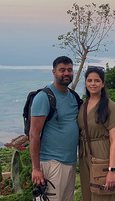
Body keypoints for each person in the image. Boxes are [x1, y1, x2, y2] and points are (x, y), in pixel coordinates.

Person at [30, 56, 81, 201]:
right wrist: (36, 168)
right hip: (51, 163)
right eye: (62, 70)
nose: (66, 73)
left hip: (70, 162)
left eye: (70, 70)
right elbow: (33, 134)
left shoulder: (73, 97)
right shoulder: (44, 97)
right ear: (54, 72)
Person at [78, 67, 115, 201]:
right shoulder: (83, 104)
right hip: (85, 155)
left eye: (97, 80)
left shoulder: (109, 106)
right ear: (85, 83)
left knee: (102, 195)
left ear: (103, 83)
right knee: (88, 195)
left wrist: (111, 170)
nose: (93, 83)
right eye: (89, 80)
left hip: (102, 154)